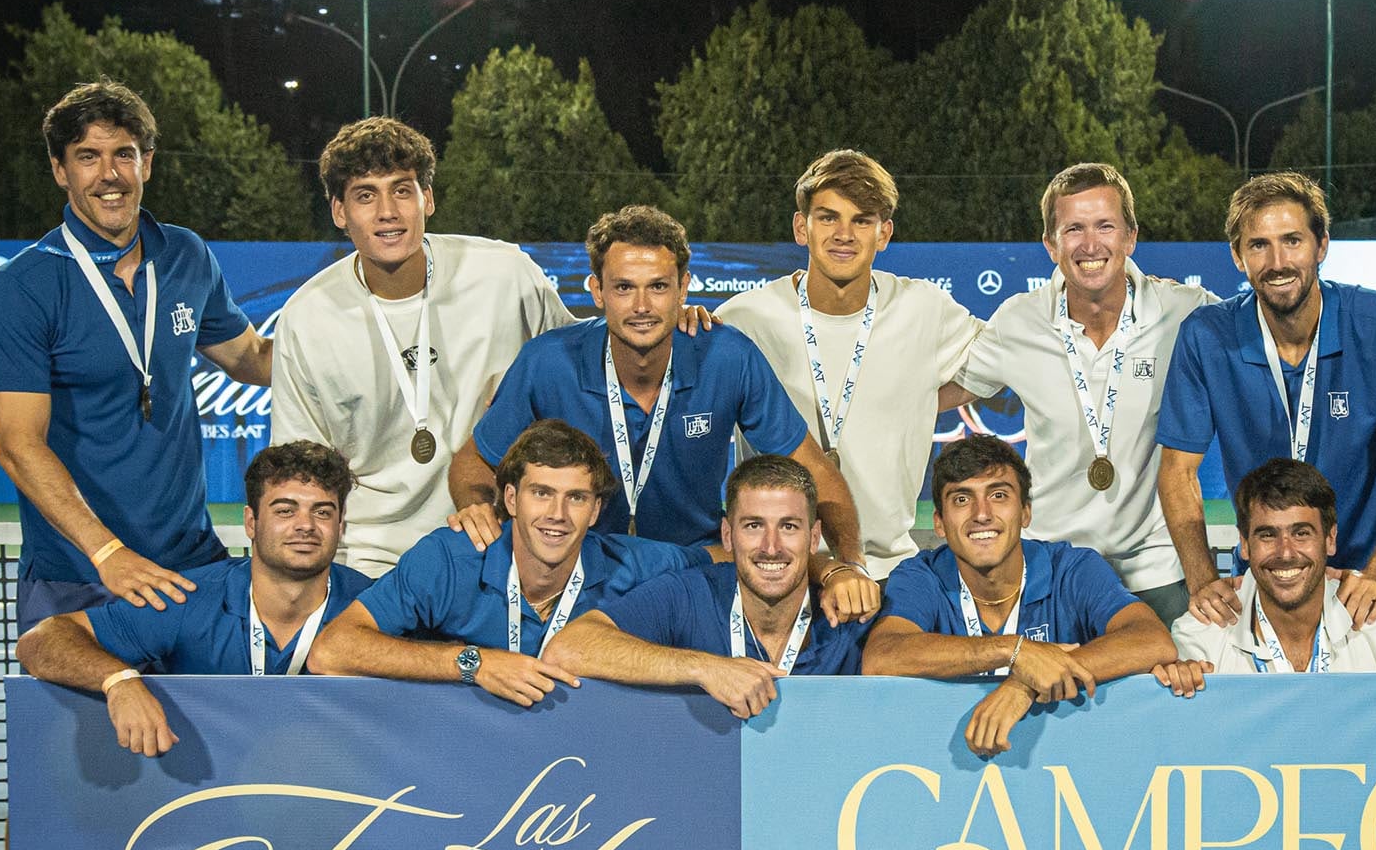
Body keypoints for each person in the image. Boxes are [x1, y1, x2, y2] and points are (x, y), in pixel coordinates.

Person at [449, 206, 874, 601]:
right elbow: (473, 462)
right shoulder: (548, 361)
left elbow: (814, 469)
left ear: (683, 288)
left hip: (696, 567)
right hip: (582, 567)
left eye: (657, 287)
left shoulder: (726, 356)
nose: (641, 307)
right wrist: (477, 507)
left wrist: (851, 563)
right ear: (597, 290)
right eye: (623, 288)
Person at [0, 79, 273, 633]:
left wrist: (352, 334)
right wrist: (106, 552)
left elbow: (253, 358)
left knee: (205, 722)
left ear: (148, 164)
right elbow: (18, 447)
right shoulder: (21, 288)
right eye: (88, 157)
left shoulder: (187, 254)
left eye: (124, 155)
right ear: (61, 170)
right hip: (78, 574)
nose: (109, 174)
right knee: (104, 718)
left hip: (191, 566)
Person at [271, 117, 579, 577]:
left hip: (499, 544)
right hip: (372, 559)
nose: (387, 212)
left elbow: (586, 358)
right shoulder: (307, 318)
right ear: (339, 212)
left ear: (427, 199)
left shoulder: (505, 275)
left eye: (401, 190)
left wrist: (667, 320)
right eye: (365, 195)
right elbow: (302, 472)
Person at [1156, 171, 1376, 637]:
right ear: (1237, 256)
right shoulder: (1206, 336)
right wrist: (1201, 578)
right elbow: (1176, 472)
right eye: (1258, 245)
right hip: (1273, 579)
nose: (1277, 261)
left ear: (1322, 245)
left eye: (1292, 240)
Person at [941, 163, 1214, 626]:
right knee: (1055, 691)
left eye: (1105, 226)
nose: (1090, 245)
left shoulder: (1185, 313)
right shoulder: (1019, 321)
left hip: (1153, 567)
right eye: (1073, 229)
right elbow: (940, 394)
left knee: (1180, 688)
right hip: (1055, 565)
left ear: (1130, 237)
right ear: (1051, 244)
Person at [306, 419, 715, 707]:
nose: (557, 514)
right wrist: (472, 663)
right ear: (511, 499)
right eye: (541, 493)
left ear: (595, 511)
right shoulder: (451, 558)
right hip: (465, 756)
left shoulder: (632, 564)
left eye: (576, 498)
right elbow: (331, 652)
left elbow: (725, 559)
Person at [714, 149, 982, 578]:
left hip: (892, 566)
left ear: (884, 233)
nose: (844, 233)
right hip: (777, 566)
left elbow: (1002, 363)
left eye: (862, 220)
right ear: (801, 227)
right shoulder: (744, 318)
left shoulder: (924, 308)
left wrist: (917, 399)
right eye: (828, 217)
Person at [15, 441, 371, 755]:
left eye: (322, 512)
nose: (305, 525)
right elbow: (40, 642)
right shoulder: (189, 600)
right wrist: (118, 681)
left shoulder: (374, 604)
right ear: (251, 522)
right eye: (285, 510)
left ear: (340, 527)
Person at [862, 435, 1176, 757]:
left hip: (1065, 764)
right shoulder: (921, 576)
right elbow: (882, 657)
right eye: (961, 499)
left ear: (1025, 512)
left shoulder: (1073, 568)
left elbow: (1152, 640)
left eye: (998, 495)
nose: (981, 513)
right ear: (939, 523)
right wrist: (1014, 651)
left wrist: (1025, 683)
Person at [545, 455, 871, 718]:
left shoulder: (850, 614)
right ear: (727, 535)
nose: (771, 547)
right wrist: (704, 668)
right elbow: (566, 650)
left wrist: (836, 572)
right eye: (754, 525)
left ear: (814, 538)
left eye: (788, 526)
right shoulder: (688, 595)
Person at [1154, 458, 1376, 696]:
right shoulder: (1200, 635)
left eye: (1301, 534)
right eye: (1268, 535)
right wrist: (1175, 682)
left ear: (1330, 539)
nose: (1286, 552)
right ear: (1244, 544)